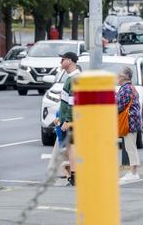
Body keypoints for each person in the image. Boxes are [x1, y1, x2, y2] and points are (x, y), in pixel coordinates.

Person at [56, 51, 80, 186]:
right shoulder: (71, 78)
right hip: (68, 119)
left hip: (71, 121)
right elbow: (66, 102)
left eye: (63, 59)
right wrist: (60, 117)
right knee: (71, 147)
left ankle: (75, 175)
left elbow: (73, 103)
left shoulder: (74, 79)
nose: (61, 62)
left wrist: (68, 121)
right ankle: (74, 174)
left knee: (72, 147)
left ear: (70, 61)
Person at [116, 67, 142, 184]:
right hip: (132, 120)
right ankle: (133, 171)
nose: (117, 76)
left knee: (130, 147)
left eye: (119, 74)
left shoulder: (126, 89)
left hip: (129, 121)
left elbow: (119, 105)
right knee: (130, 146)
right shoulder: (130, 88)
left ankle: (133, 172)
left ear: (124, 77)